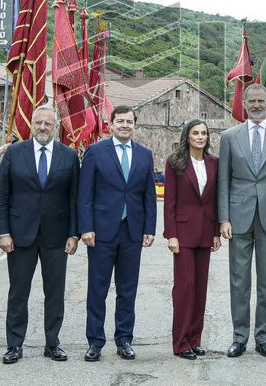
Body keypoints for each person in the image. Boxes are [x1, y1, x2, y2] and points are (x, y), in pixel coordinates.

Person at [0, 106, 79, 364]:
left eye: (48, 124)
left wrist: (73, 234)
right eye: (38, 123)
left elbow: (75, 198)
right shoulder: (14, 153)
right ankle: (14, 345)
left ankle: (52, 343)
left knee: (55, 292)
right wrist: (3, 231)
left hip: (57, 236)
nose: (43, 127)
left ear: (56, 127)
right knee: (18, 292)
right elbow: (2, 195)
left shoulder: (69, 155)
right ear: (31, 124)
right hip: (20, 235)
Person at [217, 83, 266, 359]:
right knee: (239, 281)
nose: (256, 105)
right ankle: (239, 337)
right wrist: (223, 218)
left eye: (261, 100)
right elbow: (223, 180)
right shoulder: (229, 136)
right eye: (251, 101)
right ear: (244, 103)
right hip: (238, 217)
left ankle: (264, 337)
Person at [78, 106, 157, 362]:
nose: (125, 125)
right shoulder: (96, 152)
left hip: (132, 231)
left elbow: (148, 195)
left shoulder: (145, 155)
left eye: (130, 121)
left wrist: (149, 228)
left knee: (127, 289)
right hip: (101, 232)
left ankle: (124, 339)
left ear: (135, 125)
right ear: (110, 124)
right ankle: (95, 342)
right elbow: (84, 193)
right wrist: (86, 227)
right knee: (97, 289)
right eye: (120, 121)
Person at [163, 119, 221, 360]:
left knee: (200, 289)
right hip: (183, 234)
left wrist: (216, 231)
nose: (200, 137)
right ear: (187, 136)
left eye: (204, 133)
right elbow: (170, 202)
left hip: (206, 232)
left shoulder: (214, 163)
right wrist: (172, 234)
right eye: (196, 133)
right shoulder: (175, 163)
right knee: (184, 288)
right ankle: (181, 342)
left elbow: (216, 199)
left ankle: (195, 339)